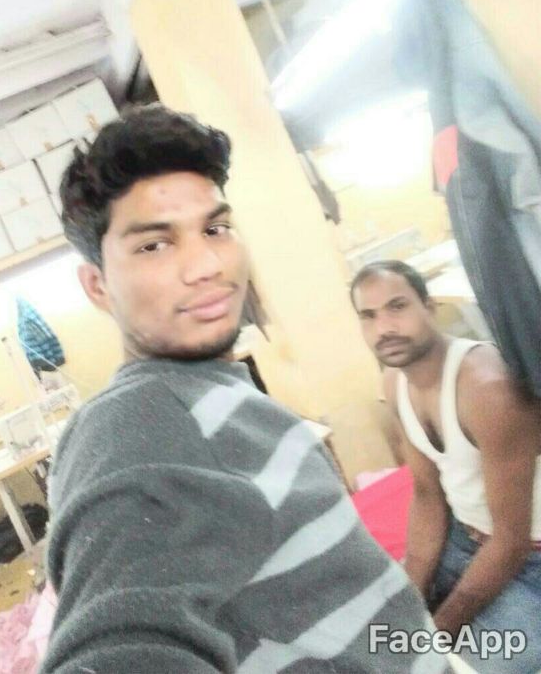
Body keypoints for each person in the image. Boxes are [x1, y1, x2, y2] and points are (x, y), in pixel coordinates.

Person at [41, 104, 448, 674]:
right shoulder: (139, 424)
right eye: (154, 245)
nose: (206, 264)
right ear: (98, 287)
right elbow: (120, 646)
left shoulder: (207, 392)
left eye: (215, 229)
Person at [351, 259, 541, 672]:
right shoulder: (394, 383)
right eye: (369, 316)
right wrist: (411, 598)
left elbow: (511, 541)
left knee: (482, 662)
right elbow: (426, 494)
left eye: (397, 306)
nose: (384, 327)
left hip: (526, 557)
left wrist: (432, 636)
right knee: (373, 630)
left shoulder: (488, 390)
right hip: (462, 537)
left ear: (429, 306)